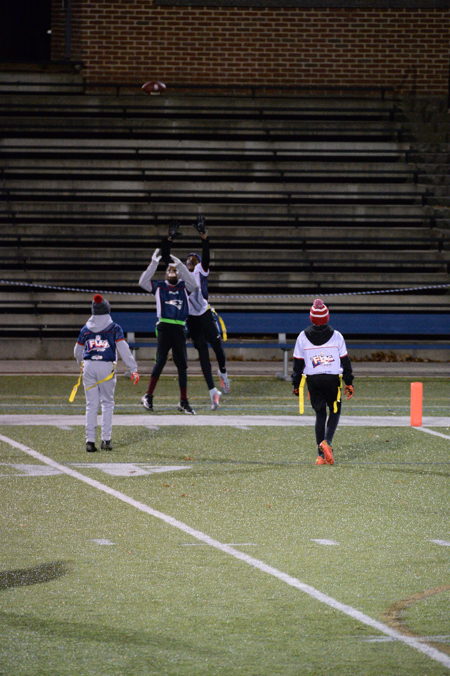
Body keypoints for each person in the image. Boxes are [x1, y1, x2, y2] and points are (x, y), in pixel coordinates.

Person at [162, 215, 231, 410]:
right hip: (191, 318)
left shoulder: (200, 269)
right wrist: (169, 238)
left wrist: (204, 237)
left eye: (194, 258)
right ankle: (212, 391)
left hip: (204, 312)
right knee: (203, 354)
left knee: (217, 347)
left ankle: (223, 373)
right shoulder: (181, 273)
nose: (190, 259)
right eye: (188, 258)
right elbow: (166, 258)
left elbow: (206, 256)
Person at [74, 294, 140, 452]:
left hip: (89, 366)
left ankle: (90, 441)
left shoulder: (85, 329)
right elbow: (124, 349)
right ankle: (106, 440)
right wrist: (133, 369)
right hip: (106, 366)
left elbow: (77, 350)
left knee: (91, 404)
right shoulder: (114, 328)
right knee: (107, 403)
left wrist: (81, 363)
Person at [291, 298, 354, 465]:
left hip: (313, 380)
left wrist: (296, 384)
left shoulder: (302, 337)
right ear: (327, 317)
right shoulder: (337, 336)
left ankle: (320, 455)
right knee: (335, 411)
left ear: (311, 318)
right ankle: (327, 442)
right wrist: (349, 382)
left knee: (320, 415)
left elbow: (298, 364)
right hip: (332, 379)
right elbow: (345, 362)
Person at [139, 248, 198, 414]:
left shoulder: (184, 287)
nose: (172, 271)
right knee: (160, 362)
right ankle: (148, 396)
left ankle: (183, 401)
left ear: (179, 274)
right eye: (169, 270)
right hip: (164, 327)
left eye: (175, 270)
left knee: (182, 366)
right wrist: (153, 264)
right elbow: (142, 282)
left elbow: (194, 285)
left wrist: (180, 265)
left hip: (179, 328)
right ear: (165, 274)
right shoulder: (159, 286)